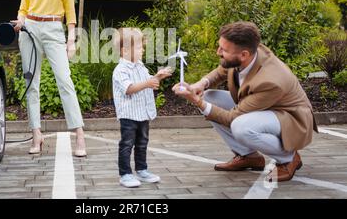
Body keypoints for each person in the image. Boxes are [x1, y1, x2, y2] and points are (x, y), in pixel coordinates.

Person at [173, 21, 318, 182]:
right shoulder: (250, 51)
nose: (218, 52)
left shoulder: (271, 81)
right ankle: (249, 156)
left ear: (244, 55)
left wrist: (197, 102)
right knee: (210, 97)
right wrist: (200, 84)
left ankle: (288, 158)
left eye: (224, 50)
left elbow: (232, 118)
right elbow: (223, 69)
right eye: (219, 46)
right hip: (264, 107)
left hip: (290, 117)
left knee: (241, 127)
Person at [11, 0, 86, 156]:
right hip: (30, 30)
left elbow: (70, 11)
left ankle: (79, 135)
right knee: (31, 84)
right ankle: (36, 134)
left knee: (65, 81)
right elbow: (23, 9)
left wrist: (71, 40)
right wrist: (20, 21)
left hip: (54, 29)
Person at [112, 28, 172, 188]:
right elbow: (129, 88)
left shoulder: (140, 66)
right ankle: (125, 174)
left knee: (142, 142)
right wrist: (147, 83)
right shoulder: (120, 70)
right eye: (139, 47)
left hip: (143, 113)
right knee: (127, 143)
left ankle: (142, 169)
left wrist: (158, 76)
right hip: (129, 115)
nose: (142, 50)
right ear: (125, 50)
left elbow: (148, 82)